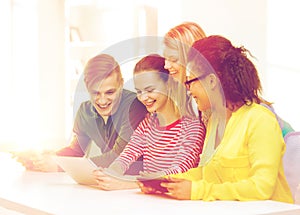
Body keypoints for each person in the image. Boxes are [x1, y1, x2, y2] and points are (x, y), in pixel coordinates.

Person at [139, 35, 293, 203]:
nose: (188, 90)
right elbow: (207, 173)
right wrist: (165, 182)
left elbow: (261, 187)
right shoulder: (215, 122)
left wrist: (198, 190)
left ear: (211, 81)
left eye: (190, 82)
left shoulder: (260, 120)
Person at [14, 54, 148, 173]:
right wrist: (41, 160)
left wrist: (59, 165)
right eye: (95, 93)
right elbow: (75, 150)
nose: (102, 100)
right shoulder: (85, 111)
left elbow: (119, 156)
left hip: (135, 183)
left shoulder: (134, 106)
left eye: (110, 92)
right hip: (108, 183)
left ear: (121, 83)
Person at [92, 54, 206, 190]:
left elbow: (180, 170)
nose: (143, 97)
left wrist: (127, 184)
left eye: (150, 90)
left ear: (169, 84)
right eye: (139, 91)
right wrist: (110, 173)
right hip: (149, 200)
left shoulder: (193, 127)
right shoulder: (147, 125)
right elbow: (126, 156)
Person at [163, 21, 209, 124]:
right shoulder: (181, 94)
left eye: (173, 59)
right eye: (165, 58)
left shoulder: (210, 100)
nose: (166, 66)